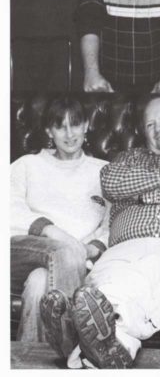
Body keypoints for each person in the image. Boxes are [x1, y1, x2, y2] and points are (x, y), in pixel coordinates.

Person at [40, 94, 160, 369]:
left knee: (152, 273)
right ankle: (105, 347)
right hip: (123, 248)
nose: (158, 128)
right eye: (150, 124)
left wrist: (143, 197)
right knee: (104, 282)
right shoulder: (128, 158)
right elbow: (111, 182)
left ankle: (79, 336)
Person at [10, 96, 109, 346]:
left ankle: (31, 364)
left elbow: (113, 222)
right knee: (64, 251)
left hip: (75, 260)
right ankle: (74, 351)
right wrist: (51, 231)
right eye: (59, 126)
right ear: (48, 131)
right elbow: (8, 208)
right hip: (23, 249)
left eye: (75, 124)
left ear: (86, 126)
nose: (69, 133)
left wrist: (93, 247)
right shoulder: (27, 165)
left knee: (39, 283)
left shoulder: (104, 171)